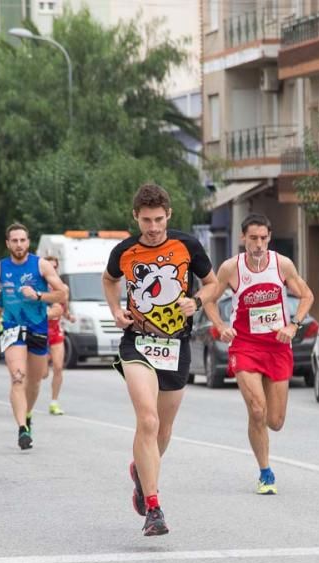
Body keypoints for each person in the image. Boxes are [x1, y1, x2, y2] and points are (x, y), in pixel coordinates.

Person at [102, 183, 218, 536]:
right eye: (146, 220)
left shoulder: (187, 246)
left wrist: (196, 302)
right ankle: (154, 507)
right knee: (148, 421)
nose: (153, 228)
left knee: (163, 429)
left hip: (176, 345)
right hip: (137, 342)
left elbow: (213, 283)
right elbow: (109, 280)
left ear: (169, 215)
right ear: (135, 217)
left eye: (158, 219)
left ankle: (141, 472)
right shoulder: (124, 251)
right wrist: (115, 309)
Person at [202, 213, 314, 495]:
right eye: (253, 238)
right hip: (246, 346)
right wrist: (220, 325)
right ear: (243, 239)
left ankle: (261, 428)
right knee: (256, 409)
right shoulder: (232, 268)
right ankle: (266, 473)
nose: (259, 244)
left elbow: (307, 296)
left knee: (275, 421)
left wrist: (293, 324)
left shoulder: (282, 265)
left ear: (269, 238)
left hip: (277, 346)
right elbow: (209, 299)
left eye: (263, 238)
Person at [0, 223, 68, 450]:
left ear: (28, 242)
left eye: (22, 240)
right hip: (12, 326)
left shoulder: (41, 265)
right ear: (8, 243)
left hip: (38, 327)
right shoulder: (0, 268)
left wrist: (39, 295)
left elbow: (62, 293)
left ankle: (27, 414)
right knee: (18, 377)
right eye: (14, 241)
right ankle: (22, 429)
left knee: (36, 378)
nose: (19, 245)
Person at [43, 255, 75, 415]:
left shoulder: (63, 288)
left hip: (56, 331)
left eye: (54, 267)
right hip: (40, 330)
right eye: (49, 266)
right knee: (42, 373)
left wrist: (69, 316)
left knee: (58, 366)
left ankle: (54, 402)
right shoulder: (38, 286)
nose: (52, 269)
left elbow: (65, 309)